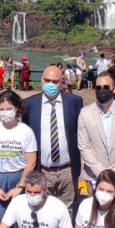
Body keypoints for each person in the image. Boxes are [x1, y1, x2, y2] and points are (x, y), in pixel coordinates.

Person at [24, 66, 83, 209]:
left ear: (61, 82)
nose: (51, 84)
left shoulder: (74, 102)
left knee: (67, 210)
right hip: (42, 170)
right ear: (42, 80)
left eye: (55, 81)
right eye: (47, 80)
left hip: (67, 170)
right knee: (43, 209)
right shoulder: (29, 104)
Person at [78, 72, 115, 196]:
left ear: (114, 89)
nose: (102, 91)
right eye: (98, 88)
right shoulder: (85, 113)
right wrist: (100, 171)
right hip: (94, 176)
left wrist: (112, 172)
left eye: (106, 87)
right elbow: (84, 146)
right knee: (94, 214)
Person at [0, 90, 37, 228]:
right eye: (2, 109)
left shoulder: (26, 131)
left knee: (18, 218)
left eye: (9, 109)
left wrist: (19, 186)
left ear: (17, 108)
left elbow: (31, 162)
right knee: (0, 219)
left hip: (19, 176)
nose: (5, 113)